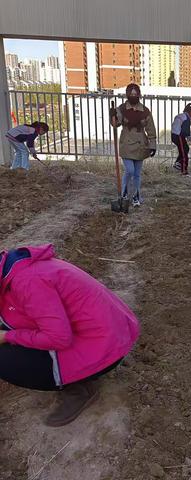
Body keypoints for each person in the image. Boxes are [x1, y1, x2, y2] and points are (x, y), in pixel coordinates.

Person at [0, 244, 140, 426]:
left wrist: (8, 337)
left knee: (4, 359)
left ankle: (78, 388)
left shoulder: (27, 282)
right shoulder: (12, 269)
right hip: (104, 335)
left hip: (103, 347)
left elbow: (59, 338)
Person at [110, 83, 157, 207]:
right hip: (126, 143)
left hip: (141, 145)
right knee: (129, 170)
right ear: (127, 95)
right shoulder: (122, 109)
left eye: (135, 94)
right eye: (131, 94)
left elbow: (151, 129)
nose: (133, 96)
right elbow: (116, 124)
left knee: (137, 173)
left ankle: (136, 197)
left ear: (139, 95)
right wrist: (113, 116)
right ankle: (124, 194)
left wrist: (153, 145)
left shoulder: (145, 111)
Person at [171, 103, 191, 176]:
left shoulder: (182, 116)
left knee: (185, 148)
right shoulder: (186, 118)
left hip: (174, 135)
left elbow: (185, 130)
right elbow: (186, 132)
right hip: (179, 135)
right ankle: (184, 171)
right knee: (184, 154)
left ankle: (178, 163)